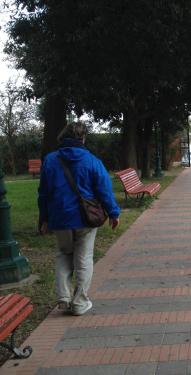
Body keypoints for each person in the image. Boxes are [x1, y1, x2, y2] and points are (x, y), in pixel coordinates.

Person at [38, 122, 120, 316]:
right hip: (86, 219)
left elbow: (43, 193)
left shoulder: (50, 160)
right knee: (84, 258)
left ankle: (63, 299)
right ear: (83, 139)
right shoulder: (92, 161)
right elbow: (104, 190)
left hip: (59, 218)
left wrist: (44, 218)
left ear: (62, 137)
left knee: (64, 254)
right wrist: (113, 213)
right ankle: (79, 302)